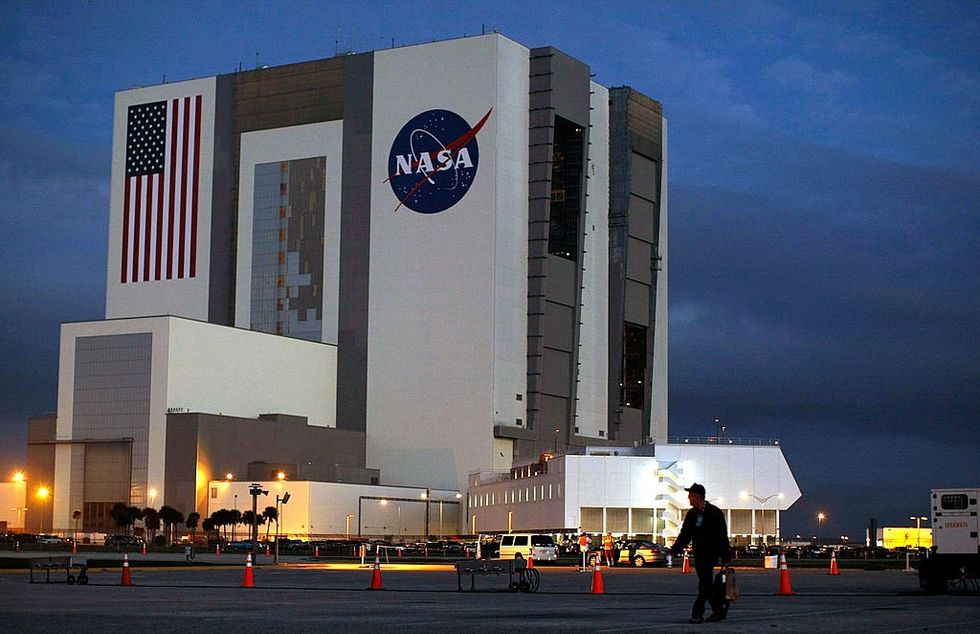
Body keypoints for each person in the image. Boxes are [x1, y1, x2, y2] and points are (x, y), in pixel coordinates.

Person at [670, 483, 732, 624]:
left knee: (704, 584)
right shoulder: (692, 514)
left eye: (690, 496)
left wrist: (726, 557)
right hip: (699, 554)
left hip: (711, 554)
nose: (689, 499)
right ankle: (718, 611)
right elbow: (685, 533)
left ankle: (697, 613)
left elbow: (722, 536)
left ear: (698, 497)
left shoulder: (715, 513)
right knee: (706, 584)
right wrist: (676, 549)